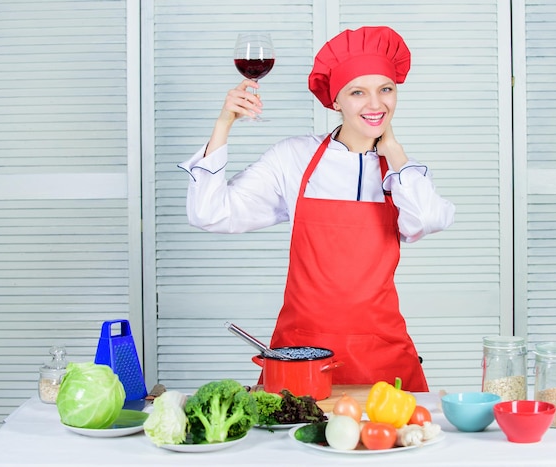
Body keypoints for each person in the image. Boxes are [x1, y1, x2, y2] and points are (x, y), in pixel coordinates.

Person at [179, 26, 455, 392]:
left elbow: (427, 220)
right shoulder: (294, 158)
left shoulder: (404, 172)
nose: (375, 104)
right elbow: (209, 212)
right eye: (358, 92)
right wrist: (223, 124)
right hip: (301, 352)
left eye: (385, 89)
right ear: (336, 101)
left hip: (382, 353)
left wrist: (393, 149)